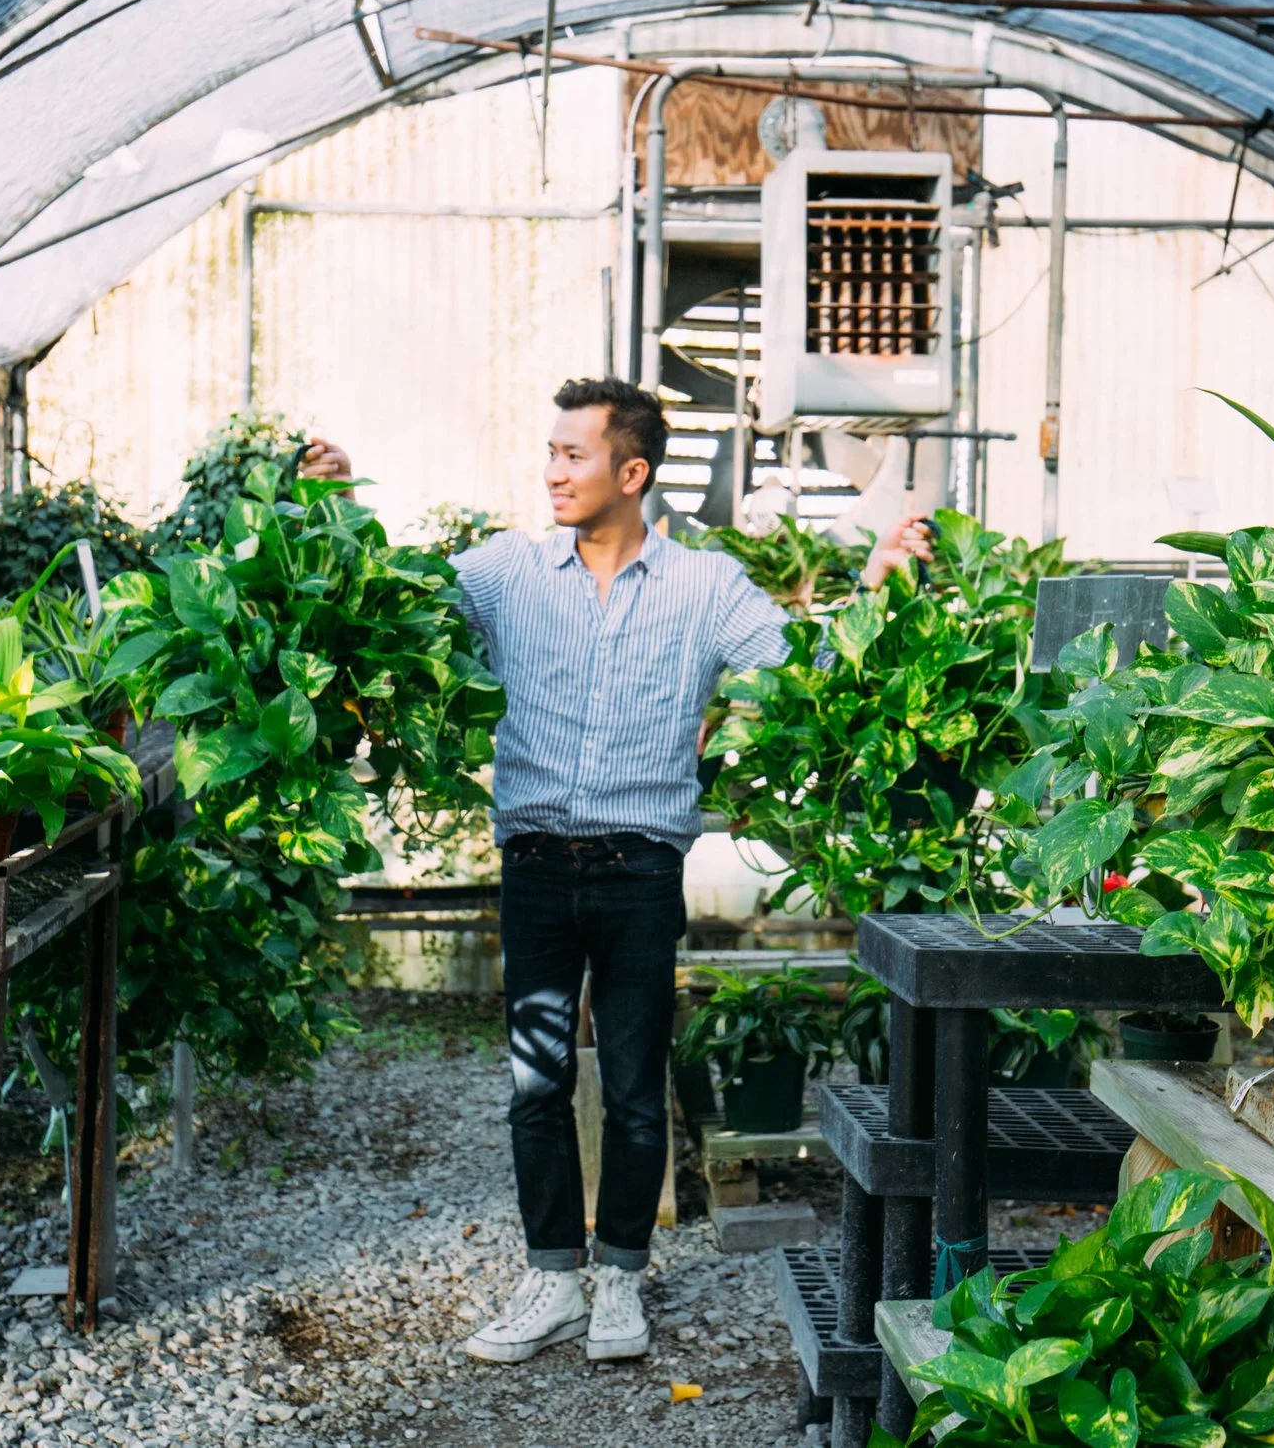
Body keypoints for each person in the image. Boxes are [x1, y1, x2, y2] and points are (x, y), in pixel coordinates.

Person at [301, 378, 931, 1366]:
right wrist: (333, 511)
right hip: (538, 866)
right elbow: (394, 602)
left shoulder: (705, 586)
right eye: (549, 451)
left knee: (638, 1084)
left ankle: (619, 1279)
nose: (552, 470)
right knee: (535, 1081)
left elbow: (800, 655)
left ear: (629, 471)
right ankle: (551, 1274)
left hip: (641, 872)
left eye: (573, 454)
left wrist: (882, 579)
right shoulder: (505, 572)